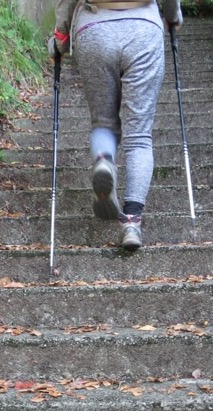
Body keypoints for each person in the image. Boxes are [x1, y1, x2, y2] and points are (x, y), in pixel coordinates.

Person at [48, 0, 183, 250]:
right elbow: (171, 7)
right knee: (139, 136)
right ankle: (131, 222)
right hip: (144, 28)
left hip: (94, 28)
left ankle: (104, 159)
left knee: (103, 122)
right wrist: (173, 16)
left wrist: (61, 35)